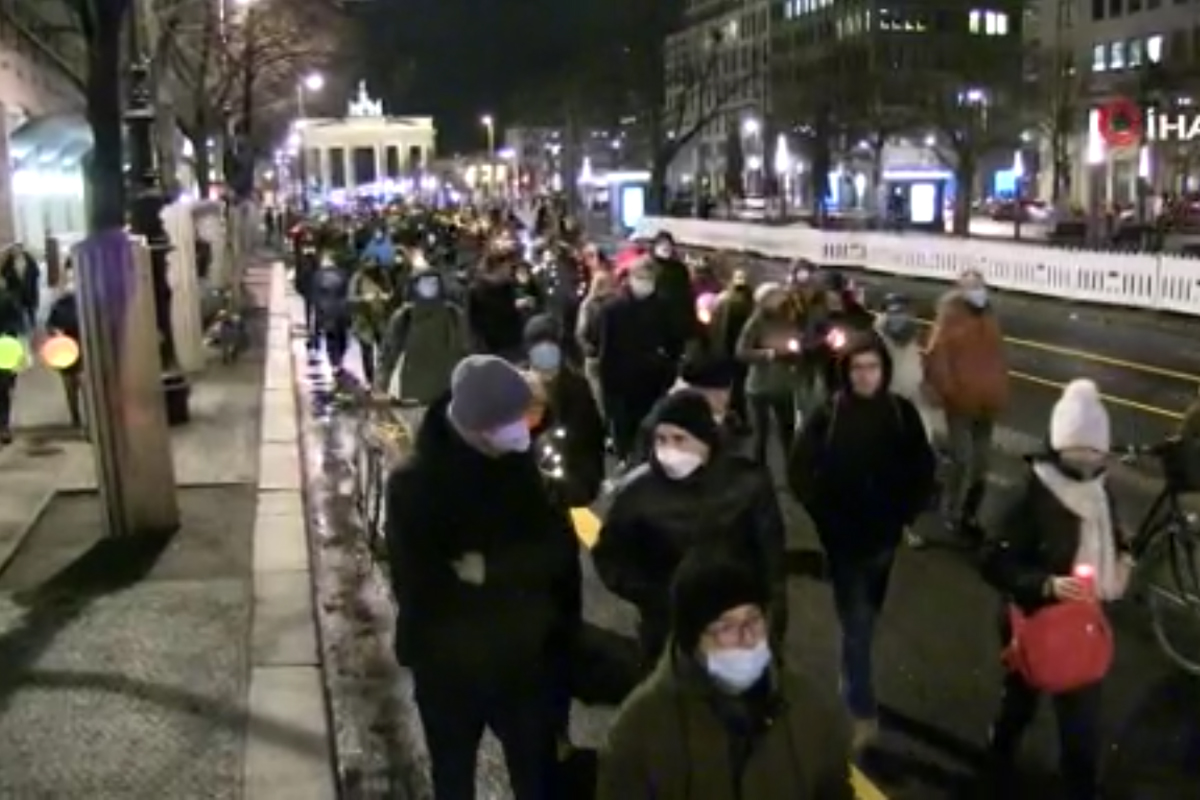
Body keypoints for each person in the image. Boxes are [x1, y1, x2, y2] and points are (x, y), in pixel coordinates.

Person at [385, 355, 581, 800]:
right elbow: (421, 584)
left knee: (537, 777)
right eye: (510, 421)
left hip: (524, 659)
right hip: (447, 669)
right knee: (453, 779)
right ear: (474, 425)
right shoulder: (415, 486)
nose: (522, 431)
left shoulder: (518, 464)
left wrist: (489, 571)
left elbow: (554, 552)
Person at [596, 553, 854, 800]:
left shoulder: (811, 709)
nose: (747, 638)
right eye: (726, 628)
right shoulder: (640, 733)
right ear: (693, 643)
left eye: (753, 620)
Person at [787, 332, 936, 750]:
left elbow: (922, 469)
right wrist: (824, 513)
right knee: (859, 622)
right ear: (845, 372)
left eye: (872, 367)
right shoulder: (829, 414)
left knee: (865, 613)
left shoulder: (900, 413)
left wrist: (904, 513)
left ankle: (852, 675)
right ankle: (860, 706)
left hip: (884, 539)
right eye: (857, 368)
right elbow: (800, 470)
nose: (865, 376)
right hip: (843, 540)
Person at [980, 379, 1126, 800]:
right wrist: (1045, 584)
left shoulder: (1100, 490)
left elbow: (1113, 534)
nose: (1086, 465)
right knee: (1021, 700)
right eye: (1077, 454)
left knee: (1081, 724)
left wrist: (1125, 556)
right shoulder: (1033, 491)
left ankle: (1080, 786)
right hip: (1033, 619)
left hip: (1081, 623)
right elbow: (992, 559)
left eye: (1094, 454)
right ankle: (999, 753)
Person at [593, 389, 787, 668]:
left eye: (679, 439)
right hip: (668, 634)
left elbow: (772, 562)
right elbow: (610, 557)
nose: (668, 450)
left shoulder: (747, 484)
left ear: (705, 440)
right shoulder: (637, 494)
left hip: (735, 625)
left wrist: (772, 631)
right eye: (661, 439)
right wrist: (653, 597)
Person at [924, 269, 1010, 543]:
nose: (977, 291)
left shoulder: (990, 316)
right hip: (962, 402)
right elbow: (937, 357)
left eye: (980, 285)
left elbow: (997, 358)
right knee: (962, 459)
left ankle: (970, 513)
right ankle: (952, 511)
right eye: (971, 286)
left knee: (981, 463)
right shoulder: (950, 316)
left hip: (986, 402)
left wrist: (999, 390)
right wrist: (951, 391)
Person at [595, 257, 678, 462]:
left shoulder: (663, 305)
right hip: (624, 387)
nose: (645, 282)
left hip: (654, 383)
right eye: (640, 277)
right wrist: (608, 394)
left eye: (649, 278)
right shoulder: (612, 310)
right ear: (630, 278)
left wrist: (669, 371)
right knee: (627, 435)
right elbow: (607, 352)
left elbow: (672, 342)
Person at [523, 314, 606, 508]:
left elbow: (593, 436)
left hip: (572, 484)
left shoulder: (577, 386)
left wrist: (592, 480)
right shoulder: (519, 385)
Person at [375, 270, 470, 415]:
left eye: (433, 283)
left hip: (450, 392)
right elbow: (388, 355)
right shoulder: (404, 317)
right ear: (415, 286)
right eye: (424, 283)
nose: (430, 287)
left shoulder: (453, 314)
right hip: (415, 395)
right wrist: (380, 388)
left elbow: (468, 351)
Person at [736, 281, 807, 466]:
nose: (782, 299)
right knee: (760, 433)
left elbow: (798, 342)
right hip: (759, 386)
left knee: (787, 432)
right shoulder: (756, 322)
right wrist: (769, 354)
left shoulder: (790, 317)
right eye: (776, 296)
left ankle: (792, 471)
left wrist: (795, 353)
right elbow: (741, 352)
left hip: (783, 386)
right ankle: (758, 476)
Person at [874, 293, 934, 441]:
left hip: (889, 378)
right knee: (918, 412)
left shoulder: (879, 328)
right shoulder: (912, 325)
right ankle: (924, 442)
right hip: (912, 377)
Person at [708, 268, 754, 429]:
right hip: (735, 350)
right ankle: (736, 419)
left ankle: (730, 418)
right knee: (737, 389)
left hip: (726, 350)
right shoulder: (742, 301)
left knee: (731, 388)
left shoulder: (722, 299)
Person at [467, 248, 525, 359]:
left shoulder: (507, 286)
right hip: (491, 348)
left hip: (513, 344)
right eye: (507, 267)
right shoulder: (477, 290)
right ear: (497, 267)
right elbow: (473, 322)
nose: (510, 271)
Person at [575, 270, 615, 414]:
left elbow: (580, 333)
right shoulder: (614, 303)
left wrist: (589, 350)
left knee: (600, 398)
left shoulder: (587, 305)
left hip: (597, 357)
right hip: (604, 358)